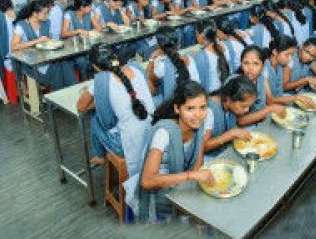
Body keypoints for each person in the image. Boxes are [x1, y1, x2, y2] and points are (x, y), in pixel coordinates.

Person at [132, 81, 215, 221]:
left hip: (180, 187)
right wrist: (191, 176)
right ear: (177, 108)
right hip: (159, 195)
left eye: (202, 107)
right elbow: (147, 181)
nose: (198, 114)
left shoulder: (200, 125)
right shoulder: (164, 133)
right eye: (190, 108)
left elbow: (198, 161)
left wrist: (194, 182)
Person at [77, 43, 155, 174]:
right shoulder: (135, 67)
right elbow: (152, 90)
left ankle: (100, 155)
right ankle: (100, 155)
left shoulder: (101, 80)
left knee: (95, 117)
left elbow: (81, 107)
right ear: (116, 58)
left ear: (95, 67)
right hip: (153, 133)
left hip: (127, 144)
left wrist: (101, 98)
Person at [11, 0, 77, 90]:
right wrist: (37, 41)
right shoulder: (21, 25)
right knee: (57, 69)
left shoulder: (46, 22)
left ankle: (72, 91)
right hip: (31, 63)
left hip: (46, 58)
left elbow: (48, 40)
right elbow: (14, 47)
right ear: (34, 13)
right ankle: (59, 97)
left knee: (64, 63)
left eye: (48, 12)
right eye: (45, 13)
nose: (47, 15)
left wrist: (51, 41)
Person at [147, 26, 200, 106]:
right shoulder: (188, 58)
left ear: (159, 45)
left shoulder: (163, 66)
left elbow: (149, 77)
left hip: (173, 104)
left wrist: (152, 58)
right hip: (194, 98)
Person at [204, 75, 257, 155]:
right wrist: (230, 135)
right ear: (228, 99)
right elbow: (202, 148)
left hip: (224, 151)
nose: (247, 110)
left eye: (249, 106)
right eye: (244, 106)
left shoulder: (231, 108)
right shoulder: (209, 111)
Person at [194, 20, 231, 93]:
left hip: (210, 94)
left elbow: (200, 82)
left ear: (201, 35)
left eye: (196, 34)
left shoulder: (201, 56)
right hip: (223, 90)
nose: (196, 37)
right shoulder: (223, 47)